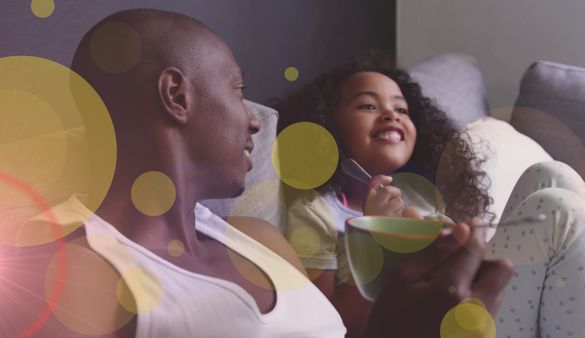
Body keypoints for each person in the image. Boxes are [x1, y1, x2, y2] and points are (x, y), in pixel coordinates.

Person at [3, 9, 514, 338]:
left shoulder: (260, 239)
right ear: (177, 95)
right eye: (236, 89)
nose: (254, 118)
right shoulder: (70, 279)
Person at [277, 58, 585, 338]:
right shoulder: (315, 210)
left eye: (403, 109)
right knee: (560, 210)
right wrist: (376, 237)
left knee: (552, 174)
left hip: (469, 313)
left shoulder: (415, 193)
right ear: (326, 125)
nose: (391, 114)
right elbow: (334, 328)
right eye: (368, 105)